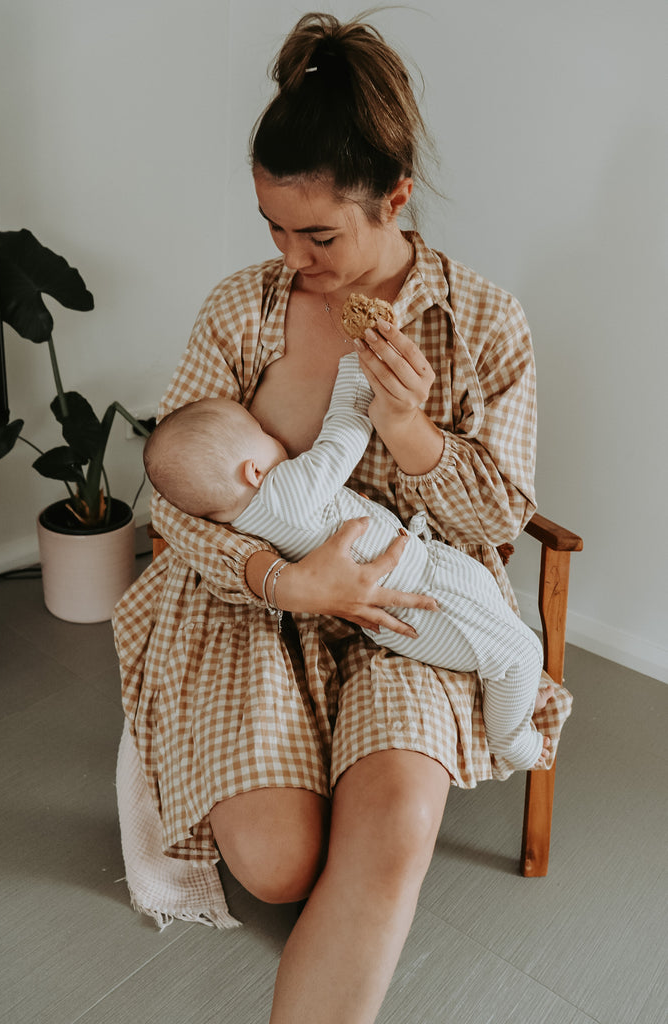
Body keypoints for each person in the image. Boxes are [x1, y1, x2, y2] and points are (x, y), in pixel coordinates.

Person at [113, 11, 572, 1023]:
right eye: (272, 226)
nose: (292, 255)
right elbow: (178, 503)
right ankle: (201, 746)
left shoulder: (482, 319)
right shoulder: (244, 308)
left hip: (413, 605)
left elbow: (500, 521)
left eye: (317, 233)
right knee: (278, 871)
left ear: (395, 199)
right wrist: (285, 580)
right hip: (253, 603)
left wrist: (411, 435)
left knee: (396, 825)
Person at [142, 352, 554, 773]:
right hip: (419, 596)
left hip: (415, 582)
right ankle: (511, 738)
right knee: (518, 652)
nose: (274, 435)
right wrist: (356, 371)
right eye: (262, 432)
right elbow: (343, 438)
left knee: (495, 626)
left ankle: (512, 695)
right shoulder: (284, 492)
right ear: (253, 471)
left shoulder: (243, 521)